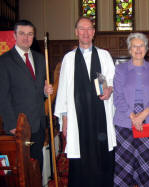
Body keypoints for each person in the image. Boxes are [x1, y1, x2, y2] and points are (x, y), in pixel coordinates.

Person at [54, 17, 116, 187]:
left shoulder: (104, 55)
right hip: (77, 115)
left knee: (101, 153)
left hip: (100, 114)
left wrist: (109, 89)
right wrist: (65, 118)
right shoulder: (68, 58)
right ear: (76, 32)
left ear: (94, 32)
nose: (86, 32)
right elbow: (64, 91)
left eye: (89, 29)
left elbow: (112, 81)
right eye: (82, 29)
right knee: (80, 157)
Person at [0, 20, 53, 170]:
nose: (26, 37)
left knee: (37, 164)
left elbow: (38, 89)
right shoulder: (4, 61)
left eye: (30, 34)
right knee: (22, 168)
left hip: (38, 123)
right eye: (22, 33)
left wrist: (44, 91)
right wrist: (11, 125)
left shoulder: (41, 58)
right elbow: (2, 96)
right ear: (14, 35)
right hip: (19, 125)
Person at [113, 32, 149, 187]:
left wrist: (143, 115)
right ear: (129, 49)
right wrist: (133, 117)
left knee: (147, 162)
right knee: (124, 164)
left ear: (146, 49)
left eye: (141, 46)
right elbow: (118, 97)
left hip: (148, 121)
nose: (138, 49)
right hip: (125, 122)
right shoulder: (120, 69)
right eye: (135, 46)